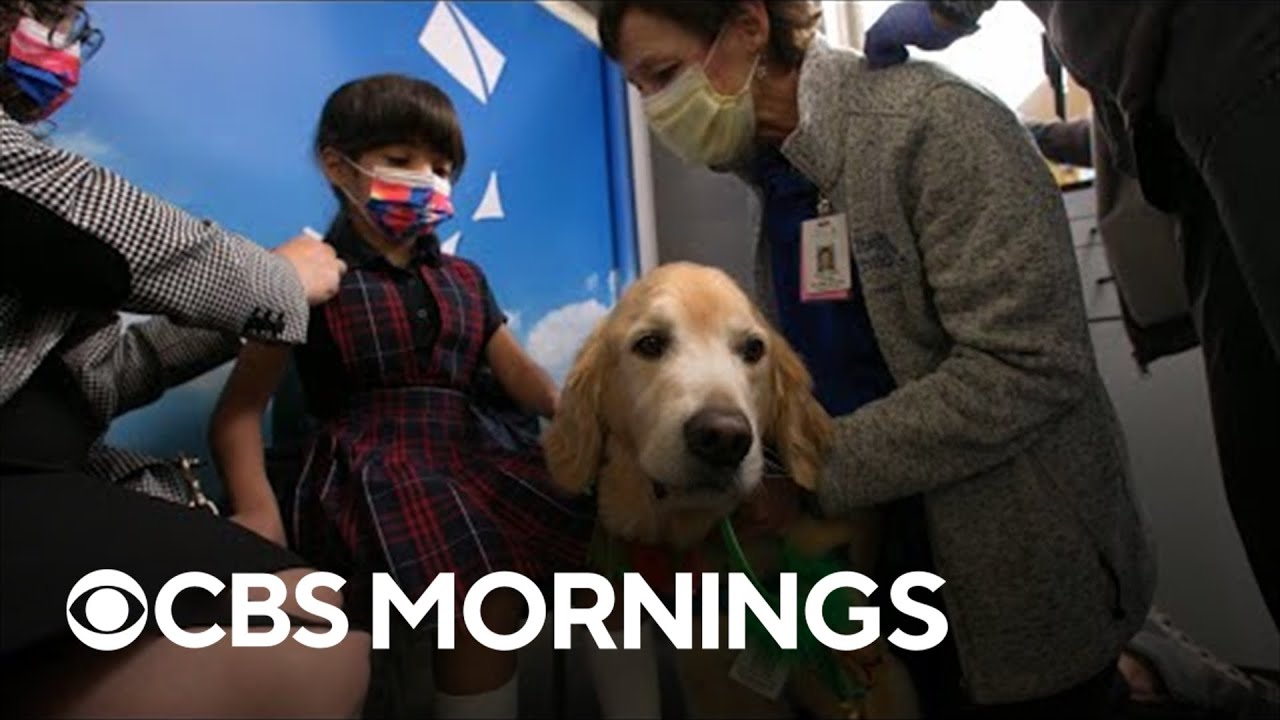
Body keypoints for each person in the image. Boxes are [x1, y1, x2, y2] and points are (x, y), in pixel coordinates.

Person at [597, 0, 1155, 716]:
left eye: (664, 74)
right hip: (877, 560)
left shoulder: (934, 126)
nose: (657, 108)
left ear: (748, 27)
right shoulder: (778, 178)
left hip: (1014, 564)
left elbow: (1025, 367)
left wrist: (805, 470)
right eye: (641, 88)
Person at [0, 1, 371, 716]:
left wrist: (249, 315)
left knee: (320, 620)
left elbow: (110, 373)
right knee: (304, 639)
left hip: (56, 479)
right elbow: (117, 227)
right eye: (46, 14)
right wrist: (278, 280)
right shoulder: (40, 190)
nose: (61, 39)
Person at [864, 0, 1280, 632]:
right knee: (1260, 457)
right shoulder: (1144, 59)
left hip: (1236, 58)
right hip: (1184, 116)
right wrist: (1032, 133)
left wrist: (944, 10)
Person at [208, 73, 600, 720]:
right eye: (399, 159)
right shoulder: (311, 275)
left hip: (469, 457)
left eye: (441, 168)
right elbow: (239, 413)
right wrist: (258, 511)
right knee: (479, 591)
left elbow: (524, 379)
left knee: (603, 548)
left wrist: (585, 418)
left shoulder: (466, 278)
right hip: (366, 470)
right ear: (339, 166)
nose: (426, 179)